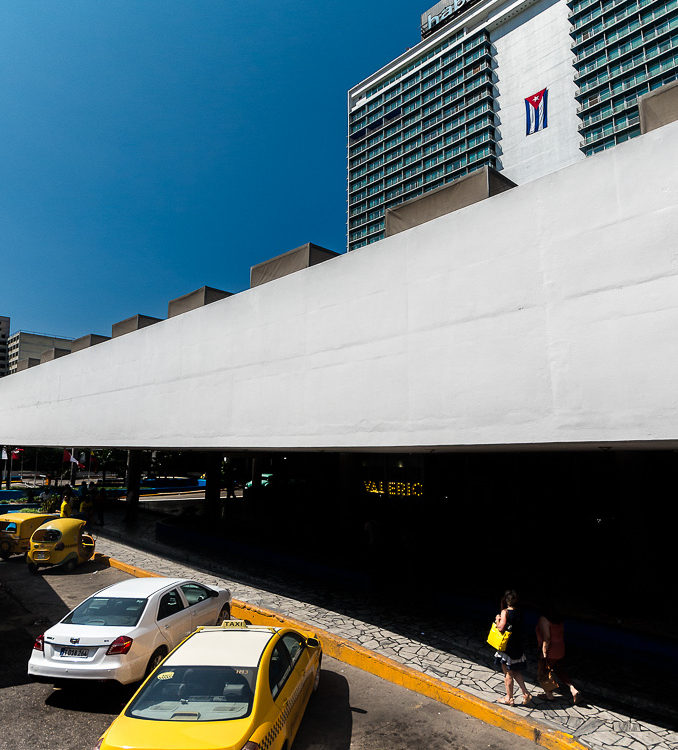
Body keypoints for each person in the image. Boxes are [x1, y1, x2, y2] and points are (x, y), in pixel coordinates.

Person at [494, 589, 533, 706]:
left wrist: (497, 620)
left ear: (506, 600)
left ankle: (509, 698)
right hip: (518, 644)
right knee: (515, 670)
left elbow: (501, 628)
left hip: (508, 646)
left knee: (508, 673)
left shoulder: (505, 612)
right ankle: (526, 693)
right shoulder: (520, 611)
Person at [536, 604, 581, 703]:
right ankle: (573, 689)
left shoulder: (544, 619)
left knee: (544, 672)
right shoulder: (559, 620)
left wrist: (544, 653)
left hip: (551, 650)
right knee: (559, 670)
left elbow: (547, 638)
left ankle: (549, 695)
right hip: (560, 649)